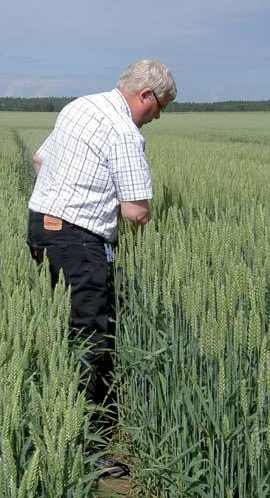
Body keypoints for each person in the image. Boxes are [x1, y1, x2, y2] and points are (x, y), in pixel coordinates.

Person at [26, 59, 176, 475]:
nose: (157, 117)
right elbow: (135, 212)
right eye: (159, 107)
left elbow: (40, 161)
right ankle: (87, 446)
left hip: (41, 228)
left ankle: (51, 419)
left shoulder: (79, 107)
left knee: (57, 328)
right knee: (90, 339)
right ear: (145, 96)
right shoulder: (124, 130)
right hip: (79, 242)